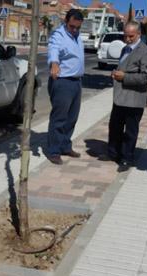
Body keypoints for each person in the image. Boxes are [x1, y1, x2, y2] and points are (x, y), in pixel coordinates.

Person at [99, 21, 147, 172]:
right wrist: (116, 73)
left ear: (139, 34)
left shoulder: (145, 51)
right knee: (115, 126)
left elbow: (146, 77)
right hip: (120, 97)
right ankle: (113, 153)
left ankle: (127, 158)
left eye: (131, 36)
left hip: (134, 98)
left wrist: (124, 77)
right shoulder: (125, 49)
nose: (127, 39)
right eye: (125, 36)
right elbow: (123, 68)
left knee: (130, 131)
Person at [46, 9, 85, 165]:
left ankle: (65, 146)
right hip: (62, 82)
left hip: (76, 82)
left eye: (77, 27)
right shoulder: (59, 35)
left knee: (72, 118)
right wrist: (54, 63)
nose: (74, 30)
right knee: (59, 118)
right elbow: (53, 49)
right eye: (71, 26)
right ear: (65, 22)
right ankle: (53, 151)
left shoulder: (77, 36)